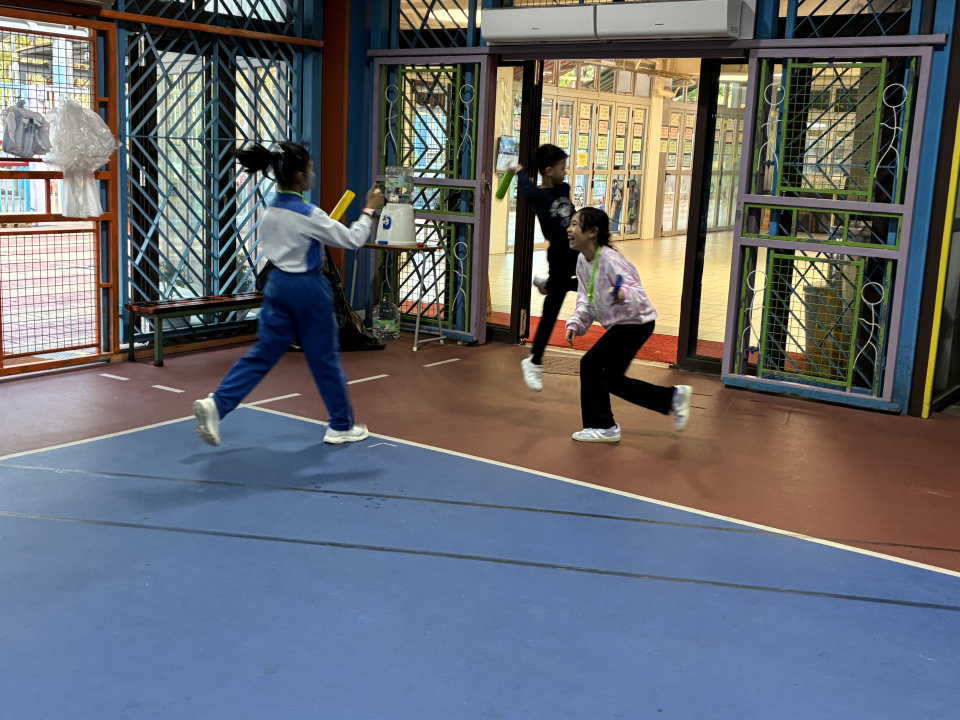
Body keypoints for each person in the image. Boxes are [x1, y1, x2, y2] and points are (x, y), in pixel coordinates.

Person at [192, 142, 384, 447]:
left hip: (277, 286)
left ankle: (217, 405)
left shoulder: (271, 212)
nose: (312, 173)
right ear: (300, 176)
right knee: (324, 359)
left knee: (263, 354)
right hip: (307, 289)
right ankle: (340, 425)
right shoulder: (309, 213)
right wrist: (369, 209)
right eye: (310, 169)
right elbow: (353, 239)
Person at [564, 207, 692, 443]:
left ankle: (603, 426)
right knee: (610, 379)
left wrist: (623, 294)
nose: (569, 230)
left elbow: (637, 293)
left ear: (592, 231)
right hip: (622, 324)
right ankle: (672, 398)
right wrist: (576, 322)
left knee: (590, 364)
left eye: (574, 224)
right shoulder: (583, 261)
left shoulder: (611, 261)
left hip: (635, 322)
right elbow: (586, 297)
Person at [508, 144, 580, 393]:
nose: (565, 172)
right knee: (552, 310)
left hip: (577, 249)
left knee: (590, 283)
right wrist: (518, 170)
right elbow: (526, 187)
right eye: (562, 167)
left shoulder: (563, 188)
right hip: (558, 254)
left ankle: (549, 285)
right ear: (548, 170)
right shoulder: (537, 195)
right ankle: (535, 360)